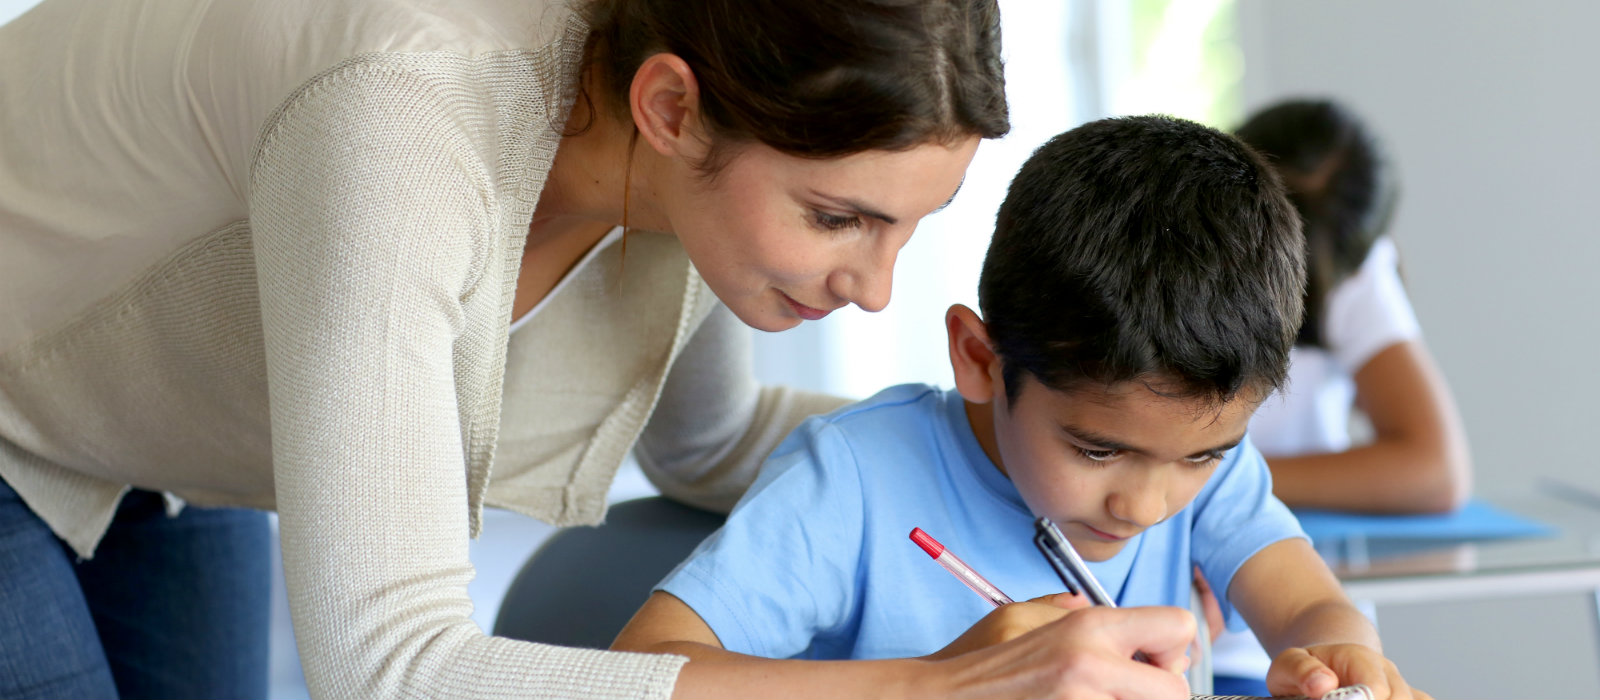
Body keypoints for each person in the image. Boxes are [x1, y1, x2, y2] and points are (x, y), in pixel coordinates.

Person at [0, 0, 1202, 698]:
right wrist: (934, 686)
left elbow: (710, 443)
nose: (873, 286)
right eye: (837, 218)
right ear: (670, 109)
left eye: (906, 228)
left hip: (153, 436)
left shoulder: (669, 161)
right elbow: (390, 666)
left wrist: (1088, 460)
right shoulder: (401, 126)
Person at [613, 115, 1429, 700]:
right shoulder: (852, 480)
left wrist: (1341, 658)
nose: (1146, 506)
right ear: (980, 359)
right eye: (1097, 450)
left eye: (1201, 455)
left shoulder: (1211, 474)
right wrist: (942, 682)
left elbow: (1311, 606)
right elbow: (637, 672)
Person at [1200, 98, 1474, 696]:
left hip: (1278, 629)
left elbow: (1434, 471)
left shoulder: (1357, 267)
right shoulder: (1179, 260)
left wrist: (1213, 480)